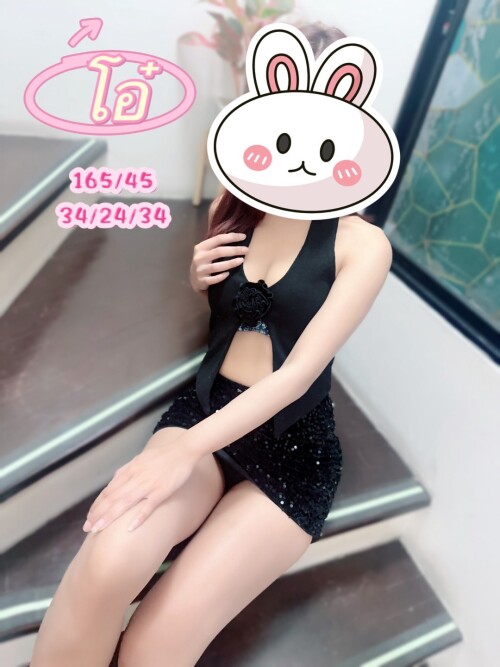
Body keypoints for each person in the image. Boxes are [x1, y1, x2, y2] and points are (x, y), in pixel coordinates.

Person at [30, 22, 393, 667]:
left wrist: (183, 451)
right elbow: (232, 320)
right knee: (106, 564)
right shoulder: (233, 200)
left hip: (292, 449)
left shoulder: (361, 245)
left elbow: (297, 372)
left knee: (155, 646)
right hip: (207, 406)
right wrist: (201, 277)